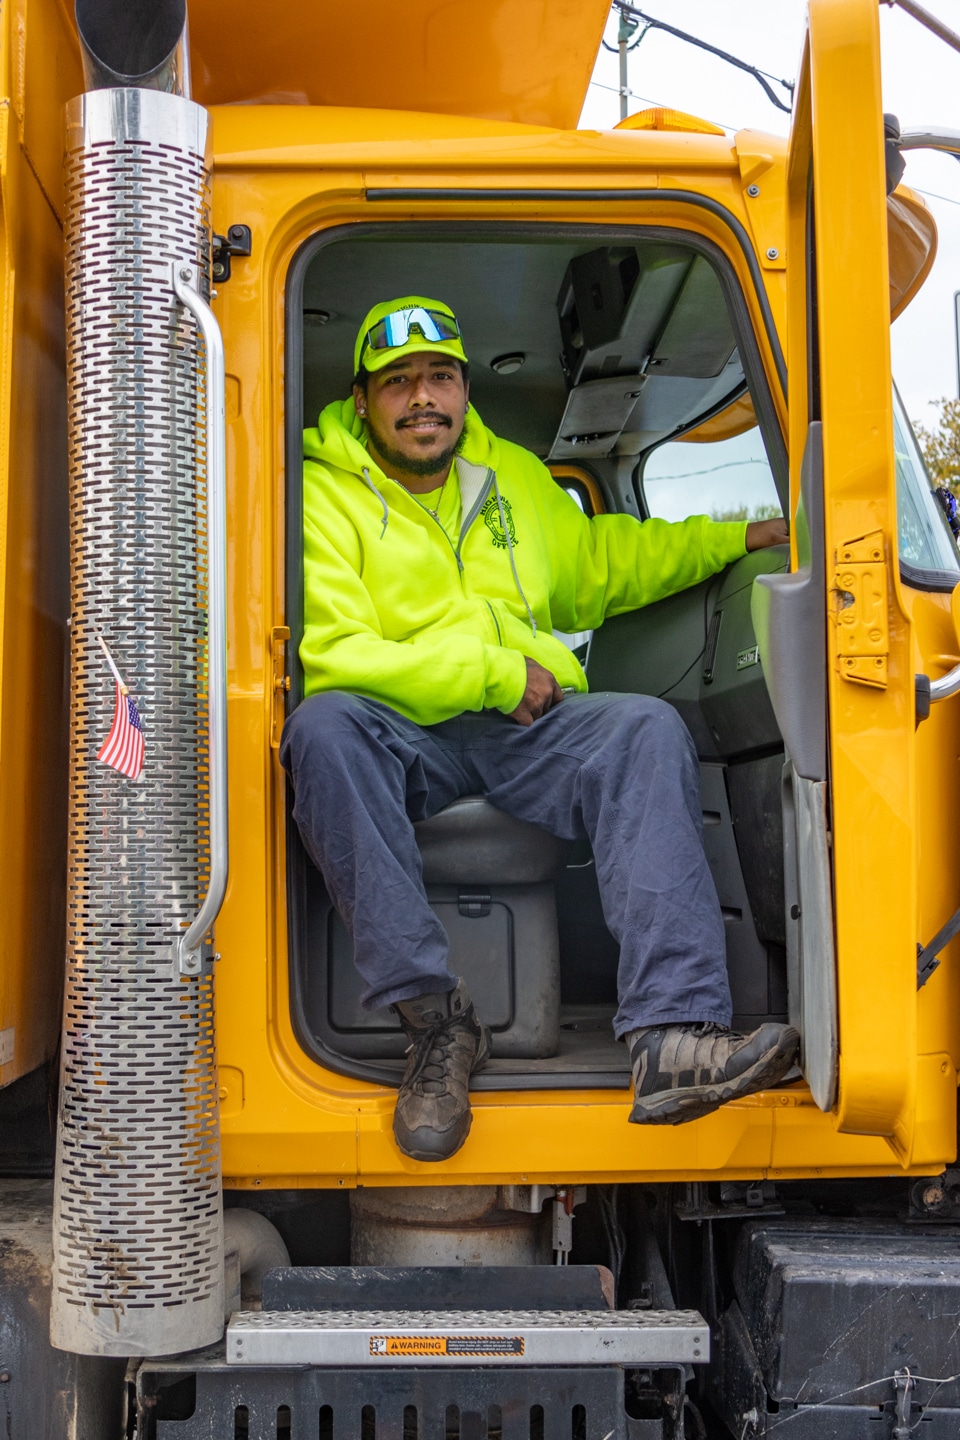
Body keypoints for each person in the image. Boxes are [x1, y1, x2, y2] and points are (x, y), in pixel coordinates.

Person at [281, 295, 799, 1163]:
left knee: (641, 728)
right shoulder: (316, 494)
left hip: (522, 731)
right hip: (400, 730)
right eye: (398, 382)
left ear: (463, 390)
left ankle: (672, 1037)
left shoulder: (513, 477)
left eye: (440, 377)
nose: (422, 398)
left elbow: (603, 563)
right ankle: (436, 1023)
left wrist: (738, 537)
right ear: (363, 400)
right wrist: (493, 673)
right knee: (323, 729)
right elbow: (334, 654)